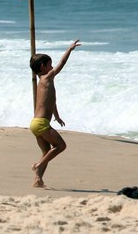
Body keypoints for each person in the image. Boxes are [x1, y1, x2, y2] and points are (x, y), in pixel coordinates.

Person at [29, 39, 81, 188]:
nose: (52, 67)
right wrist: (69, 49)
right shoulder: (47, 78)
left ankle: (38, 180)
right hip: (41, 124)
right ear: (43, 67)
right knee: (61, 146)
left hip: (35, 123)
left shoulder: (42, 82)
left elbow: (51, 102)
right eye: (50, 65)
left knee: (46, 152)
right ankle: (38, 166)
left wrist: (57, 116)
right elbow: (62, 64)